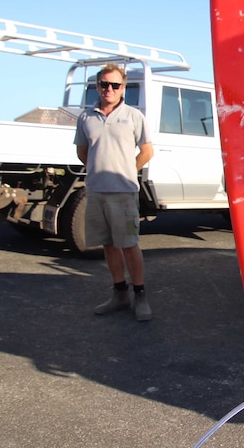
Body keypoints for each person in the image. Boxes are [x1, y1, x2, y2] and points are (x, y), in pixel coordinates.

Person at [74, 63, 154, 322]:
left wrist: (126, 170)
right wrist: (100, 170)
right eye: (104, 84)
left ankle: (140, 294)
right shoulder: (86, 117)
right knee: (108, 244)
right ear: (97, 86)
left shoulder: (134, 116)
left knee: (129, 244)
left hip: (124, 192)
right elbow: (82, 152)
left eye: (115, 85)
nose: (109, 89)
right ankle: (120, 294)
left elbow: (147, 151)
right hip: (96, 191)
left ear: (123, 89)